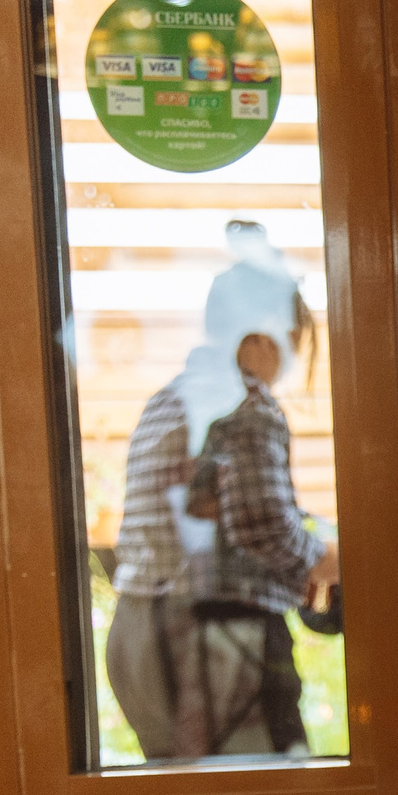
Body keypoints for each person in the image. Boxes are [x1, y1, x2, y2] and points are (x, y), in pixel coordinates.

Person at [103, 221, 340, 758]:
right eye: (292, 343)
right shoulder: (249, 406)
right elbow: (265, 528)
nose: (292, 361)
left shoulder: (168, 399)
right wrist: (329, 560)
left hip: (139, 630)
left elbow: (225, 505)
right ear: (258, 339)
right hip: (212, 639)